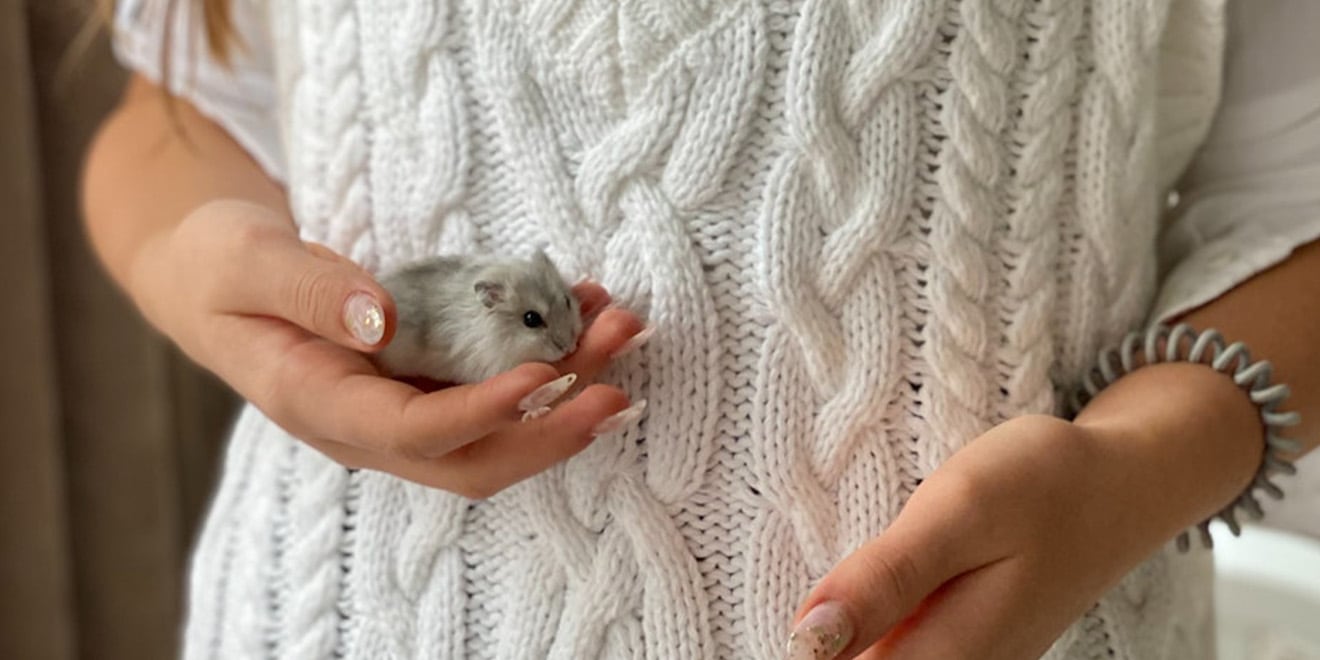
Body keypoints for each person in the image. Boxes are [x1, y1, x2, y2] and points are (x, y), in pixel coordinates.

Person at [83, 0, 1320, 658]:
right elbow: (184, 107)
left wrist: (1131, 471)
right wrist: (207, 276)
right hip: (345, 615)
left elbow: (1296, 212)